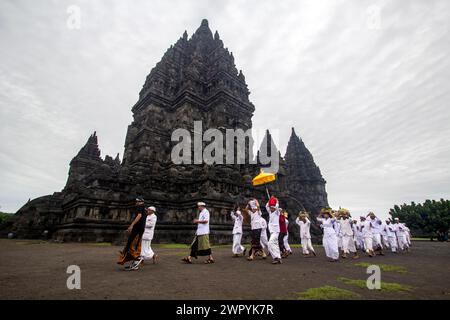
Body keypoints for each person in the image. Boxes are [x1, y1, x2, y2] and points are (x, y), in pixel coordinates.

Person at [117, 197, 147, 268]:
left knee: (133, 243)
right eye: (136, 201)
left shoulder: (140, 207)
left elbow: (139, 216)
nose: (136, 203)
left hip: (138, 228)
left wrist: (131, 225)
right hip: (140, 228)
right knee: (134, 243)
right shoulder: (144, 209)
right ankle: (134, 259)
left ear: (142, 202)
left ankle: (136, 259)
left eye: (138, 201)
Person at [265, 196, 282, 264]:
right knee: (275, 244)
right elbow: (266, 206)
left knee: (269, 243)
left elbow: (277, 206)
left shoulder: (277, 212)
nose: (271, 208)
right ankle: (279, 258)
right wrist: (269, 200)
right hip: (272, 231)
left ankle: (275, 257)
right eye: (270, 207)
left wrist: (276, 200)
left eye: (272, 207)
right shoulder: (270, 212)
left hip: (276, 231)